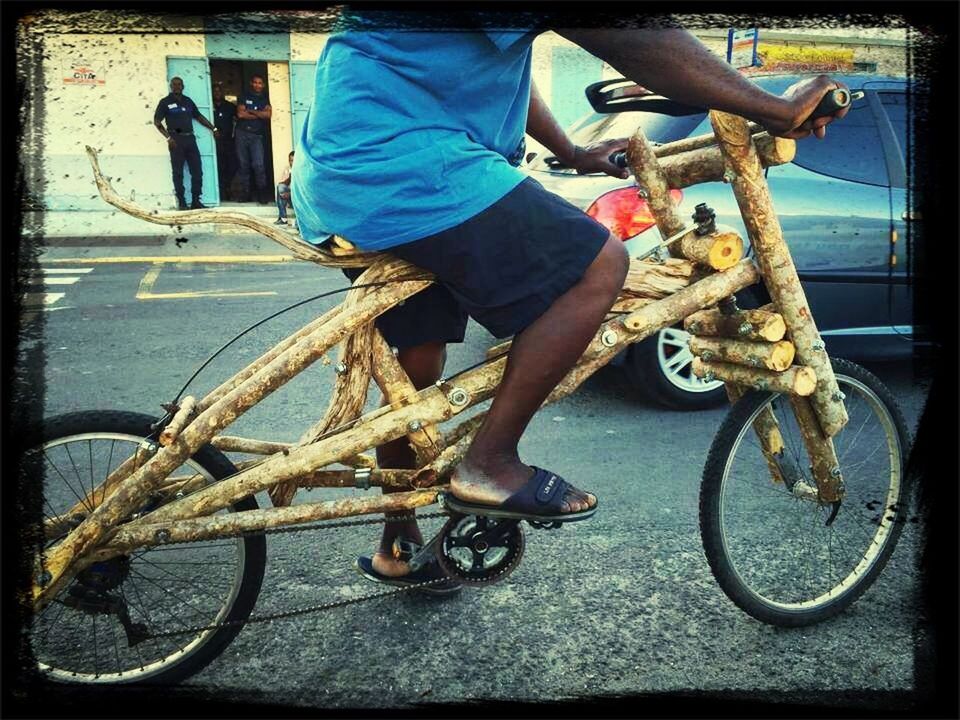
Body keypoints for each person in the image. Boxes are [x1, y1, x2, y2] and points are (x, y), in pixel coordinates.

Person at [292, 18, 848, 594]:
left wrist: (572, 151)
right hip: (405, 168)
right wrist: (772, 109)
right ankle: (491, 464)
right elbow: (631, 35)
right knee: (600, 266)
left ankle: (399, 541)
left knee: (416, 370)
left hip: (343, 173)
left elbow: (498, 59)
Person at [153, 76, 219, 210]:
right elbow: (157, 122)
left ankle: (196, 201)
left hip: (190, 139)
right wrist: (168, 138)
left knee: (197, 171)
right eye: (174, 84)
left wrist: (213, 128)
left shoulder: (188, 101)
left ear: (183, 86)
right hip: (175, 141)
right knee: (178, 173)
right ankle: (182, 202)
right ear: (171, 86)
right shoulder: (165, 102)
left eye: (179, 84)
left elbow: (199, 116)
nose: (177, 86)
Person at [234, 74, 272, 204]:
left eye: (260, 83)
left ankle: (262, 194)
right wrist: (259, 113)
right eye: (255, 82)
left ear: (263, 85)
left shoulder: (265, 98)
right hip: (242, 134)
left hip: (257, 135)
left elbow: (268, 115)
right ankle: (245, 194)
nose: (257, 85)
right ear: (251, 83)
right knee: (243, 165)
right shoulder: (244, 96)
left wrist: (251, 111)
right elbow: (240, 114)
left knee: (258, 165)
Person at [212, 83, 237, 201]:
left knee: (232, 166)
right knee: (218, 167)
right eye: (215, 91)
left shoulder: (229, 106)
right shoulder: (208, 105)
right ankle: (220, 192)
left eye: (219, 91)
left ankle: (227, 189)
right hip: (214, 142)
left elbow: (237, 120)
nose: (217, 93)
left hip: (228, 141)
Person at [275, 150, 295, 225]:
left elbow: (301, 190)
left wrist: (289, 194)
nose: (292, 163)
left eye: (293, 160)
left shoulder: (301, 170)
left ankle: (282, 218)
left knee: (281, 191)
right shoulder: (289, 169)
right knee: (279, 187)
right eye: (290, 160)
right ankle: (283, 218)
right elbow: (286, 182)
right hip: (291, 196)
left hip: (299, 199)